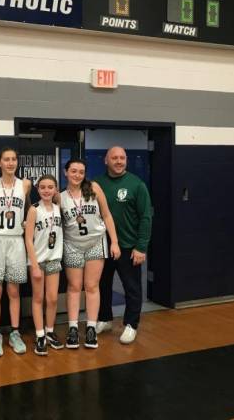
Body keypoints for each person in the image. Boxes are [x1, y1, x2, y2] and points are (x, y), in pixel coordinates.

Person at [60, 158, 120, 350]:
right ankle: (72, 329)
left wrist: (115, 242)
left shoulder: (94, 188)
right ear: (65, 172)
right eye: (73, 171)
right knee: (74, 286)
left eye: (81, 172)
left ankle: (92, 328)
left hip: (95, 242)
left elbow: (107, 215)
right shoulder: (60, 197)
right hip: (72, 245)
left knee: (92, 286)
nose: (77, 175)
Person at [95, 146, 152, 344]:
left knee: (132, 287)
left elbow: (146, 217)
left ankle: (131, 324)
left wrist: (141, 247)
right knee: (102, 285)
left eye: (122, 158)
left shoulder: (137, 185)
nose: (119, 161)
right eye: (114, 158)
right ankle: (105, 319)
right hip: (103, 246)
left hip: (129, 246)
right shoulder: (97, 184)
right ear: (106, 160)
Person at [0, 147, 31, 356]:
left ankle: (14, 332)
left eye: (14, 159)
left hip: (15, 240)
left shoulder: (26, 184)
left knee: (14, 291)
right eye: (6, 159)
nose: (11, 163)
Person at [24, 174, 64, 355]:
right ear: (38, 189)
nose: (47, 190)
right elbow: (28, 239)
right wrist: (34, 264)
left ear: (56, 189)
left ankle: (49, 331)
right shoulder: (34, 210)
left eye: (50, 187)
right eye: (43, 187)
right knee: (38, 298)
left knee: (53, 298)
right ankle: (40, 335)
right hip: (38, 261)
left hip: (54, 258)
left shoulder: (58, 208)